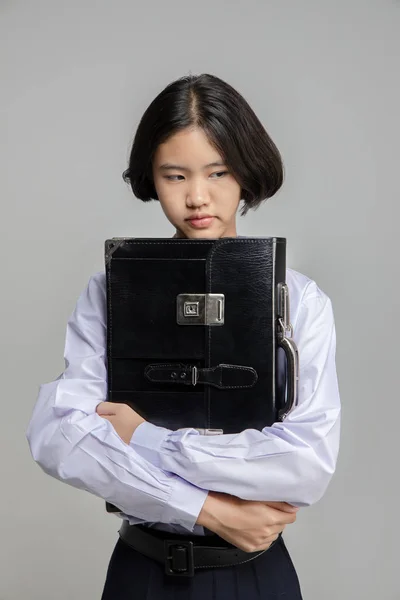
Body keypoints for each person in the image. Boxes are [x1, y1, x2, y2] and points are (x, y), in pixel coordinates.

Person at [26, 73, 341, 599]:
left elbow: (304, 465)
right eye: (175, 176)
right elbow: (62, 436)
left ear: (246, 171)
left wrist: (144, 436)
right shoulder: (111, 290)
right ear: (152, 177)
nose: (198, 197)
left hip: (254, 577)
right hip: (142, 571)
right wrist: (208, 509)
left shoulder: (300, 299)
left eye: (217, 172)